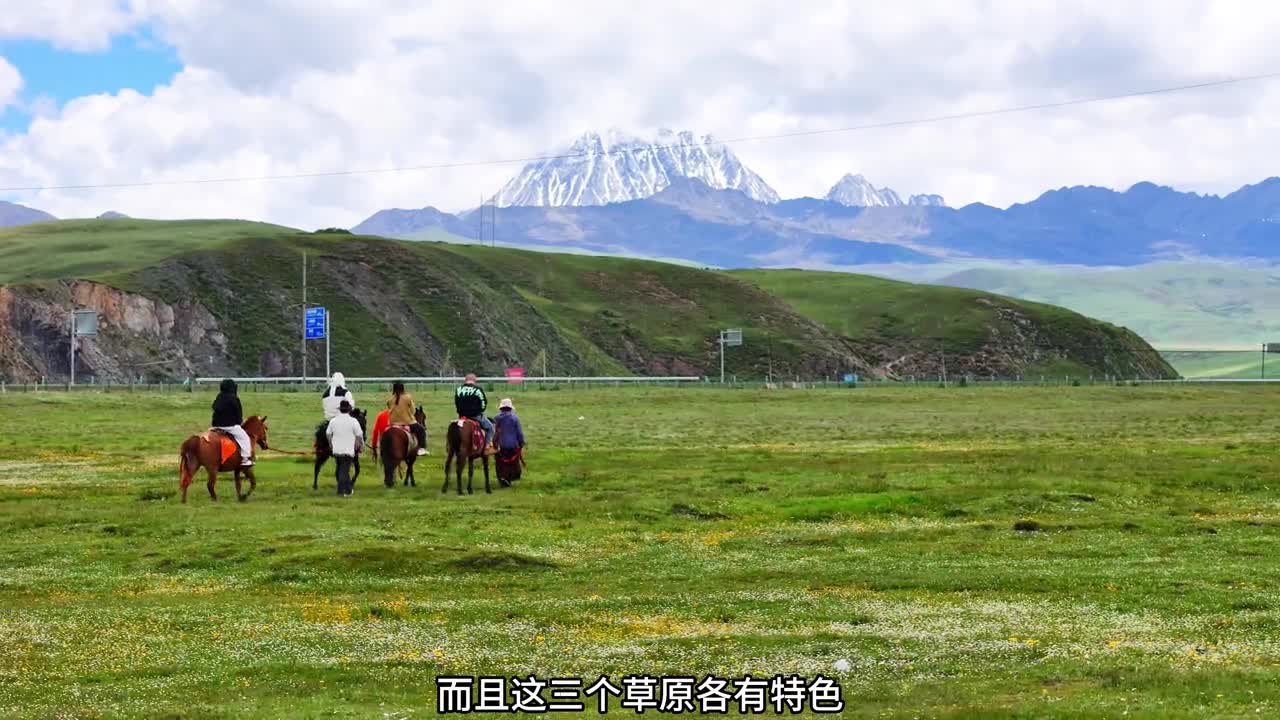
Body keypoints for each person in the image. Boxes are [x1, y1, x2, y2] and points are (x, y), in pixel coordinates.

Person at [210, 378, 253, 467]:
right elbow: (238, 413)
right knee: (244, 438)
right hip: (230, 426)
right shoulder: (234, 398)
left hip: (216, 426)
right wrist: (239, 422)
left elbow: (214, 407)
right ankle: (245, 459)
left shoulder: (219, 396)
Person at [325, 399, 364, 496]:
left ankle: (348, 490)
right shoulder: (353, 421)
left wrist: (330, 444)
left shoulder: (333, 421)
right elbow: (359, 435)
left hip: (336, 450)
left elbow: (328, 433)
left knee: (341, 469)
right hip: (348, 450)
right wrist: (360, 445)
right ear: (349, 410)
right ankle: (341, 491)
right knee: (344, 471)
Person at [454, 373, 494, 453]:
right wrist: (480, 411)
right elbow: (483, 402)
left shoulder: (459, 389)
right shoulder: (477, 389)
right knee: (490, 427)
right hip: (475, 415)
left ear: (465, 380)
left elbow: (456, 402)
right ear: (474, 381)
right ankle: (487, 446)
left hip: (462, 416)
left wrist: (460, 412)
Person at [317, 371, 356, 451]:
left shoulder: (325, 394)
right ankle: (357, 447)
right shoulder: (346, 392)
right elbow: (351, 406)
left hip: (328, 420)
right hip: (343, 419)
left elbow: (324, 407)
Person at [386, 381, 428, 456]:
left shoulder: (390, 399)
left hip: (392, 423)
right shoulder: (407, 397)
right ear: (403, 389)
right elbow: (413, 410)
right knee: (421, 430)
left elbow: (389, 408)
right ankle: (422, 448)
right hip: (407, 422)